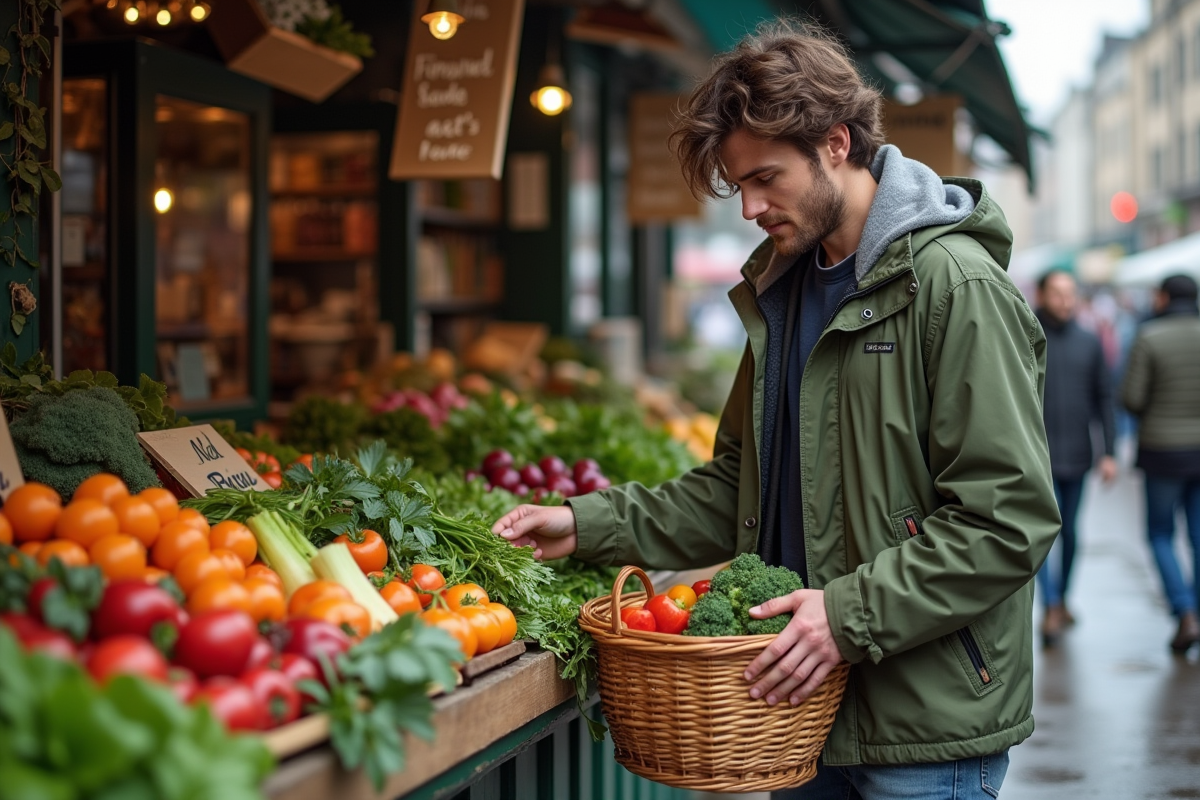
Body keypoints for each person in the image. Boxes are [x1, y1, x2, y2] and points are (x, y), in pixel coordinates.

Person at [493, 20, 1058, 800]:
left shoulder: (954, 288)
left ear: (835, 142)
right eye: (739, 187)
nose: (751, 208)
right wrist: (587, 523)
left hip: (925, 727)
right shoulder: (781, 293)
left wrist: (848, 616)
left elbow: (1009, 521)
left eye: (766, 178)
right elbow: (738, 486)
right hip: (799, 708)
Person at [1034, 270, 1118, 646]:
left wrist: (1110, 452)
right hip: (1037, 456)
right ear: (1042, 295)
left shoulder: (1089, 341)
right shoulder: (1027, 335)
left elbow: (1105, 397)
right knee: (1041, 535)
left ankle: (1062, 598)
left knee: (1071, 533)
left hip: (1078, 454)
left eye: (1070, 294)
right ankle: (1051, 604)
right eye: (1057, 293)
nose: (1065, 300)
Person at [1120, 273, 1200, 654]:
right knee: (1199, 535)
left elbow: (1132, 398)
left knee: (1159, 533)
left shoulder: (1148, 337)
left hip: (1163, 450)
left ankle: (1184, 612)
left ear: (1165, 298)